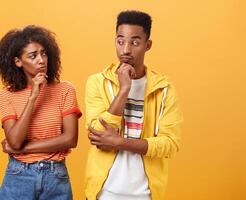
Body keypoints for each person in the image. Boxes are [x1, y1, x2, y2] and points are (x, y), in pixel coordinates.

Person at [85, 10, 183, 200]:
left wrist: (120, 142)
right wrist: (124, 90)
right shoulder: (97, 82)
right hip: (103, 193)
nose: (126, 49)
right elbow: (97, 133)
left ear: (148, 45)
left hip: (145, 194)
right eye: (120, 41)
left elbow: (170, 143)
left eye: (135, 42)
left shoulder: (164, 89)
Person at [0, 25, 82, 199]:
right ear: (18, 62)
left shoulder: (64, 90)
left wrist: (23, 149)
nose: (41, 60)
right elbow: (14, 140)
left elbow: (70, 139)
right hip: (18, 176)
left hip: (56, 176)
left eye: (44, 53)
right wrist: (33, 97)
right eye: (33, 55)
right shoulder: (6, 95)